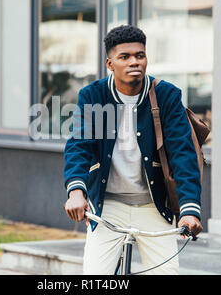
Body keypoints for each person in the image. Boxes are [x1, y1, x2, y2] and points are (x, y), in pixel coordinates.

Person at [63, 25, 203, 275]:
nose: (134, 62)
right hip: (108, 206)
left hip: (154, 205)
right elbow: (79, 146)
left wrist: (190, 208)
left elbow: (183, 154)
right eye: (124, 57)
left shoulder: (165, 95)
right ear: (110, 63)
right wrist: (76, 191)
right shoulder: (94, 95)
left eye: (140, 55)